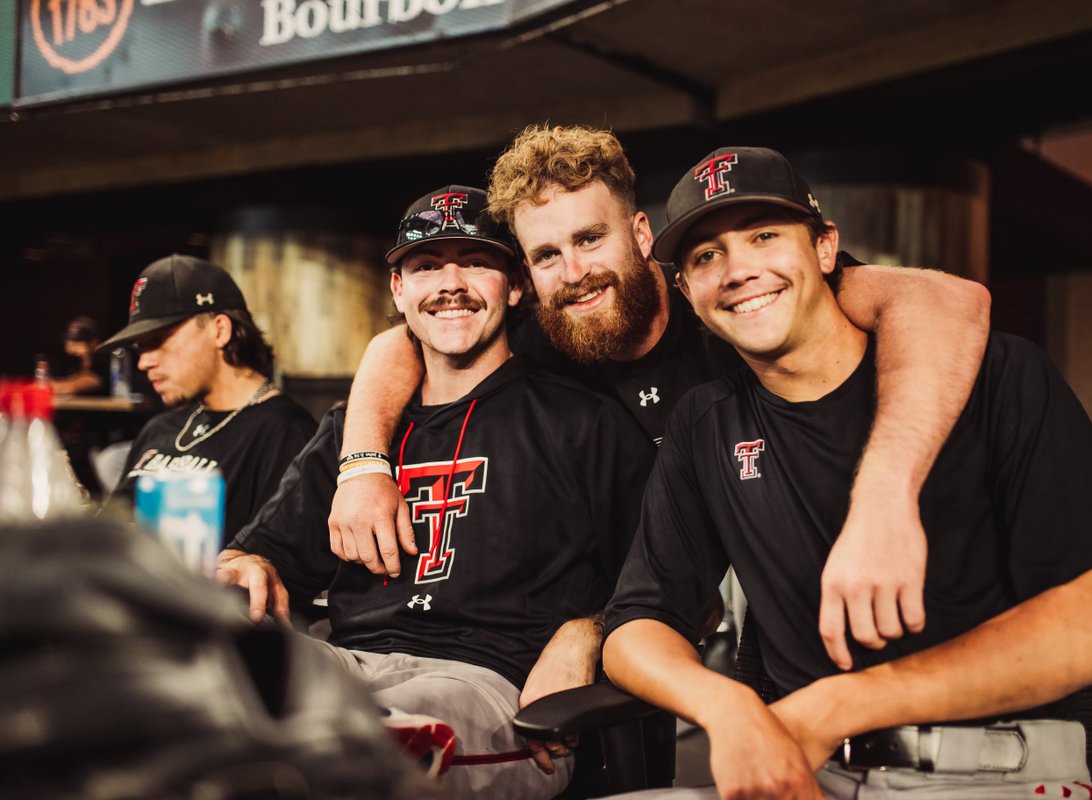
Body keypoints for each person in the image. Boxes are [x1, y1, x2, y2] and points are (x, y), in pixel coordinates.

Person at [601, 147, 1092, 799]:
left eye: (765, 235)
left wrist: (832, 708)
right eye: (705, 256)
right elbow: (637, 622)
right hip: (813, 774)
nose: (738, 270)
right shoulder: (706, 423)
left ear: (827, 249)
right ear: (688, 292)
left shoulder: (998, 376)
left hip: (998, 774)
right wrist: (729, 709)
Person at [330, 125, 993, 664]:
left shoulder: (731, 296)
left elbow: (948, 301)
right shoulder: (543, 333)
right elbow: (404, 343)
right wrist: (363, 465)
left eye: (591, 238)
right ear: (526, 274)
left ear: (642, 235)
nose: (575, 273)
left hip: (814, 574)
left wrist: (886, 496)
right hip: (653, 594)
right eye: (547, 254)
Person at [216, 186, 656, 800]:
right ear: (399, 291)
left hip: (490, 686)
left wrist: (590, 630)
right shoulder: (353, 434)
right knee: (187, 689)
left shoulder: (585, 421)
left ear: (516, 285)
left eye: (475, 262)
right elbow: (261, 553)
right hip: (347, 664)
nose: (451, 284)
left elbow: (664, 590)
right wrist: (246, 566)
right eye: (426, 267)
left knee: (352, 756)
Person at [101, 254, 316, 545]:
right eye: (141, 347)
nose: (144, 362)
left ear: (220, 330)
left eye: (159, 340)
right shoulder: (160, 427)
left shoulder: (285, 432)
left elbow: (274, 560)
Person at [51, 316, 106, 396]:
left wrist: (59, 386)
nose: (70, 349)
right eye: (68, 343)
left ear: (93, 343)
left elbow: (93, 381)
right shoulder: (69, 360)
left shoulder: (102, 361)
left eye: (76, 343)